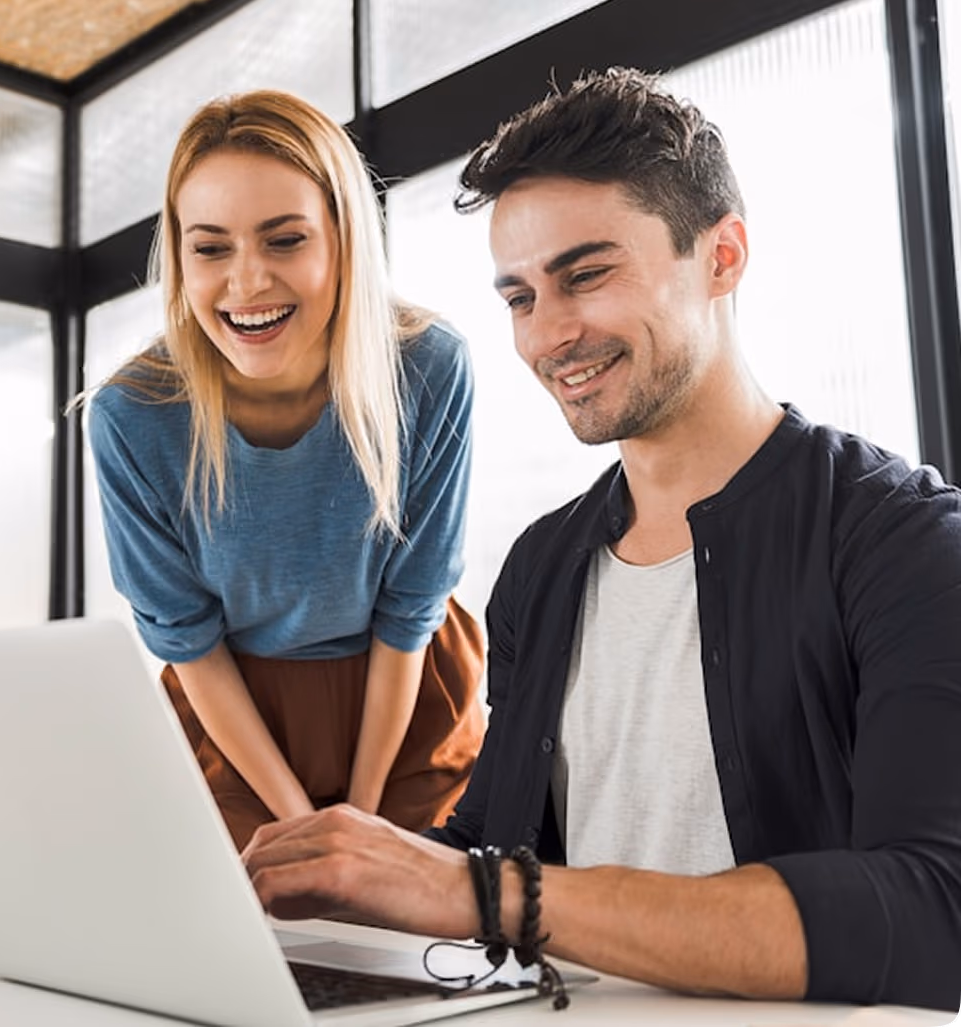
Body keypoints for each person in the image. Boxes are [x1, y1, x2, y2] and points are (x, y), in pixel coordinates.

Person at [240, 68, 961, 1011]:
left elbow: (935, 913)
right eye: (519, 298)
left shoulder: (904, 544)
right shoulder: (542, 567)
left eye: (587, 274)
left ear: (723, 255)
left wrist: (476, 890)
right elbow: (491, 855)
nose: (551, 334)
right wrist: (319, 882)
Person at [87, 89, 485, 853]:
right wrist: (304, 823)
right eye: (210, 248)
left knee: (414, 924)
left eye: (284, 240)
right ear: (178, 257)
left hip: (405, 695)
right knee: (259, 935)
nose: (246, 284)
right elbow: (188, 640)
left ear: (342, 240)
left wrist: (362, 821)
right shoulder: (131, 417)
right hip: (235, 716)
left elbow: (412, 608)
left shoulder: (431, 369)